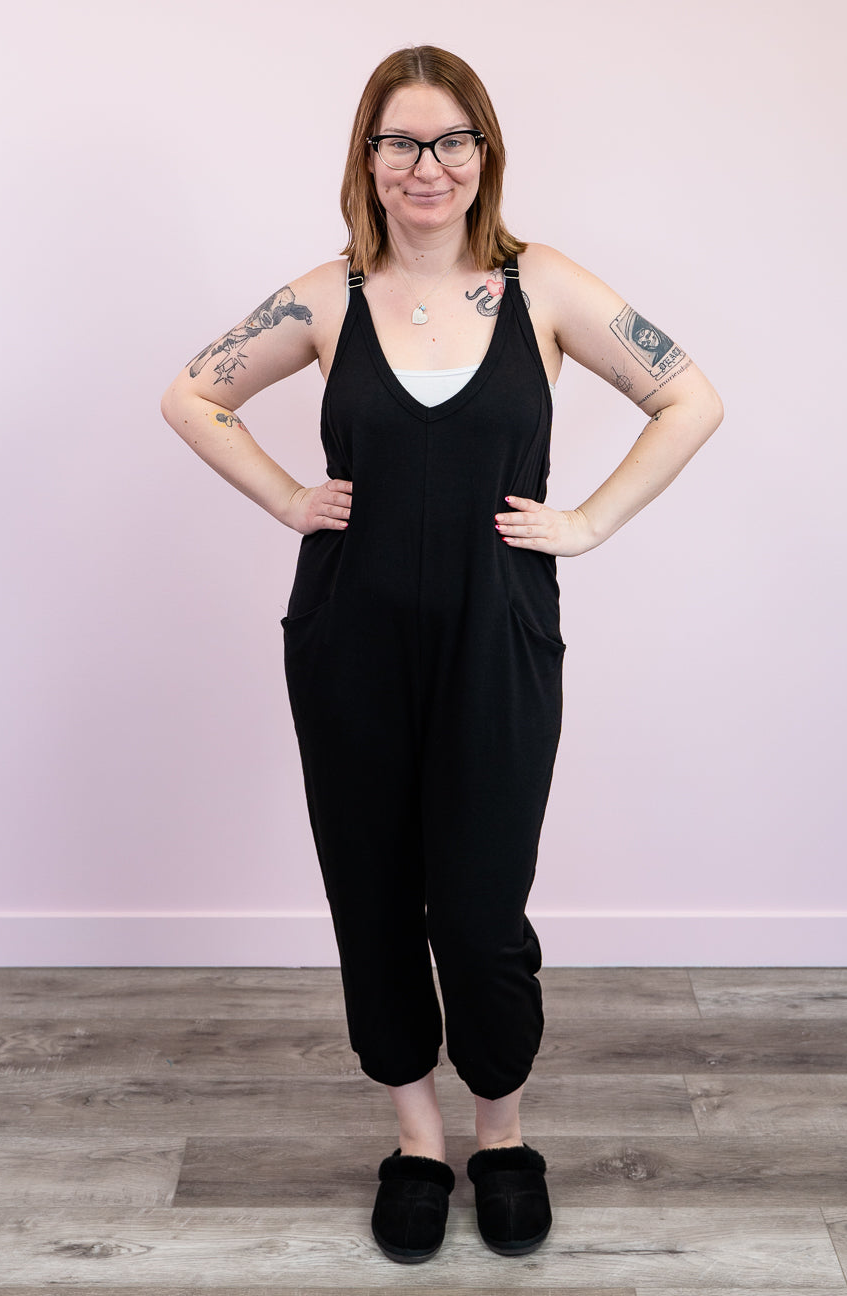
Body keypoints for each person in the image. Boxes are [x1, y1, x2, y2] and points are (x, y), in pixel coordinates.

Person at [161, 44, 723, 1264]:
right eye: (401, 142)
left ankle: (502, 1134)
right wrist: (287, 497)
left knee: (478, 907)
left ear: (485, 152)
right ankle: (417, 1142)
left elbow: (692, 399)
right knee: (372, 895)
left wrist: (589, 522)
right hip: (348, 639)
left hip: (498, 636)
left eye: (451, 139)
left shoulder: (544, 286)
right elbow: (192, 395)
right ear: (368, 158)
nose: (428, 166)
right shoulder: (327, 297)